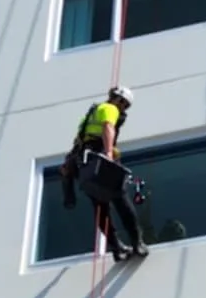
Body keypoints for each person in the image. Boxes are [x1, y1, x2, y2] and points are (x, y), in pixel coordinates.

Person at [62, 85, 148, 261]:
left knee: (100, 205)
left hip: (85, 163)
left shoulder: (91, 114)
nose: (123, 110)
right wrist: (109, 153)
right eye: (124, 105)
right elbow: (108, 127)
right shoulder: (110, 108)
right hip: (99, 157)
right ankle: (137, 243)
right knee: (121, 199)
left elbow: (81, 141)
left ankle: (116, 248)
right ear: (120, 101)